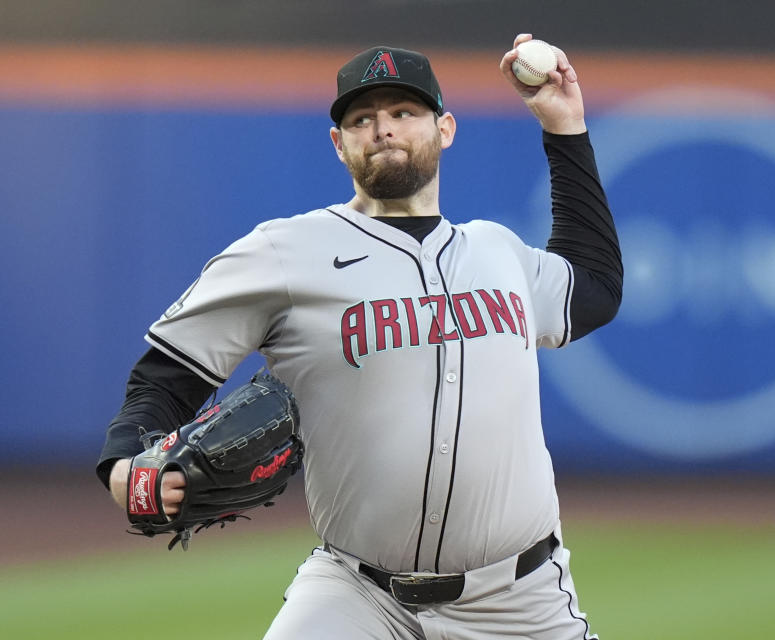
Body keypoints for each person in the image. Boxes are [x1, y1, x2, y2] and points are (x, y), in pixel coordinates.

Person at [97, 34, 622, 640]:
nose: (384, 128)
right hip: (358, 594)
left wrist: (564, 124)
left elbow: (596, 287)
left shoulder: (498, 251)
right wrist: (125, 460)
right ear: (339, 144)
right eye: (362, 118)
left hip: (522, 600)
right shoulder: (283, 252)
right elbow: (164, 377)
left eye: (404, 112)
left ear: (444, 129)